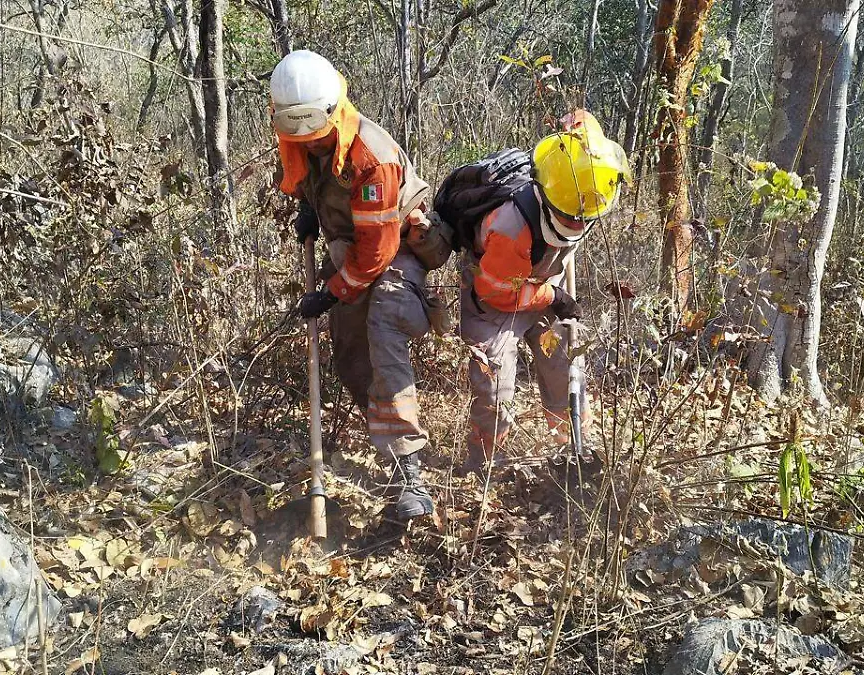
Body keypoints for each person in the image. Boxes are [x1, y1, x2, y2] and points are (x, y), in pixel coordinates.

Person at [270, 50, 435, 519]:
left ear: (332, 110)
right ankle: (385, 438)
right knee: (348, 355)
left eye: (316, 135)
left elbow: (376, 252)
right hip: (351, 248)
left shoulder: (372, 159)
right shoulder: (299, 125)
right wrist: (308, 206)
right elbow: (311, 173)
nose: (309, 142)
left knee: (382, 332)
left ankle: (412, 476)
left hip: (395, 243)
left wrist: (330, 292)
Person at [459, 110, 630, 473]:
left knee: (566, 360)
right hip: (493, 294)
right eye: (572, 218)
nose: (579, 223)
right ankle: (486, 465)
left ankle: (572, 450)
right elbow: (498, 293)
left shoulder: (587, 181)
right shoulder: (509, 225)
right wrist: (555, 298)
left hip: (543, 281)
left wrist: (578, 125)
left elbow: (582, 120)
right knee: (494, 384)